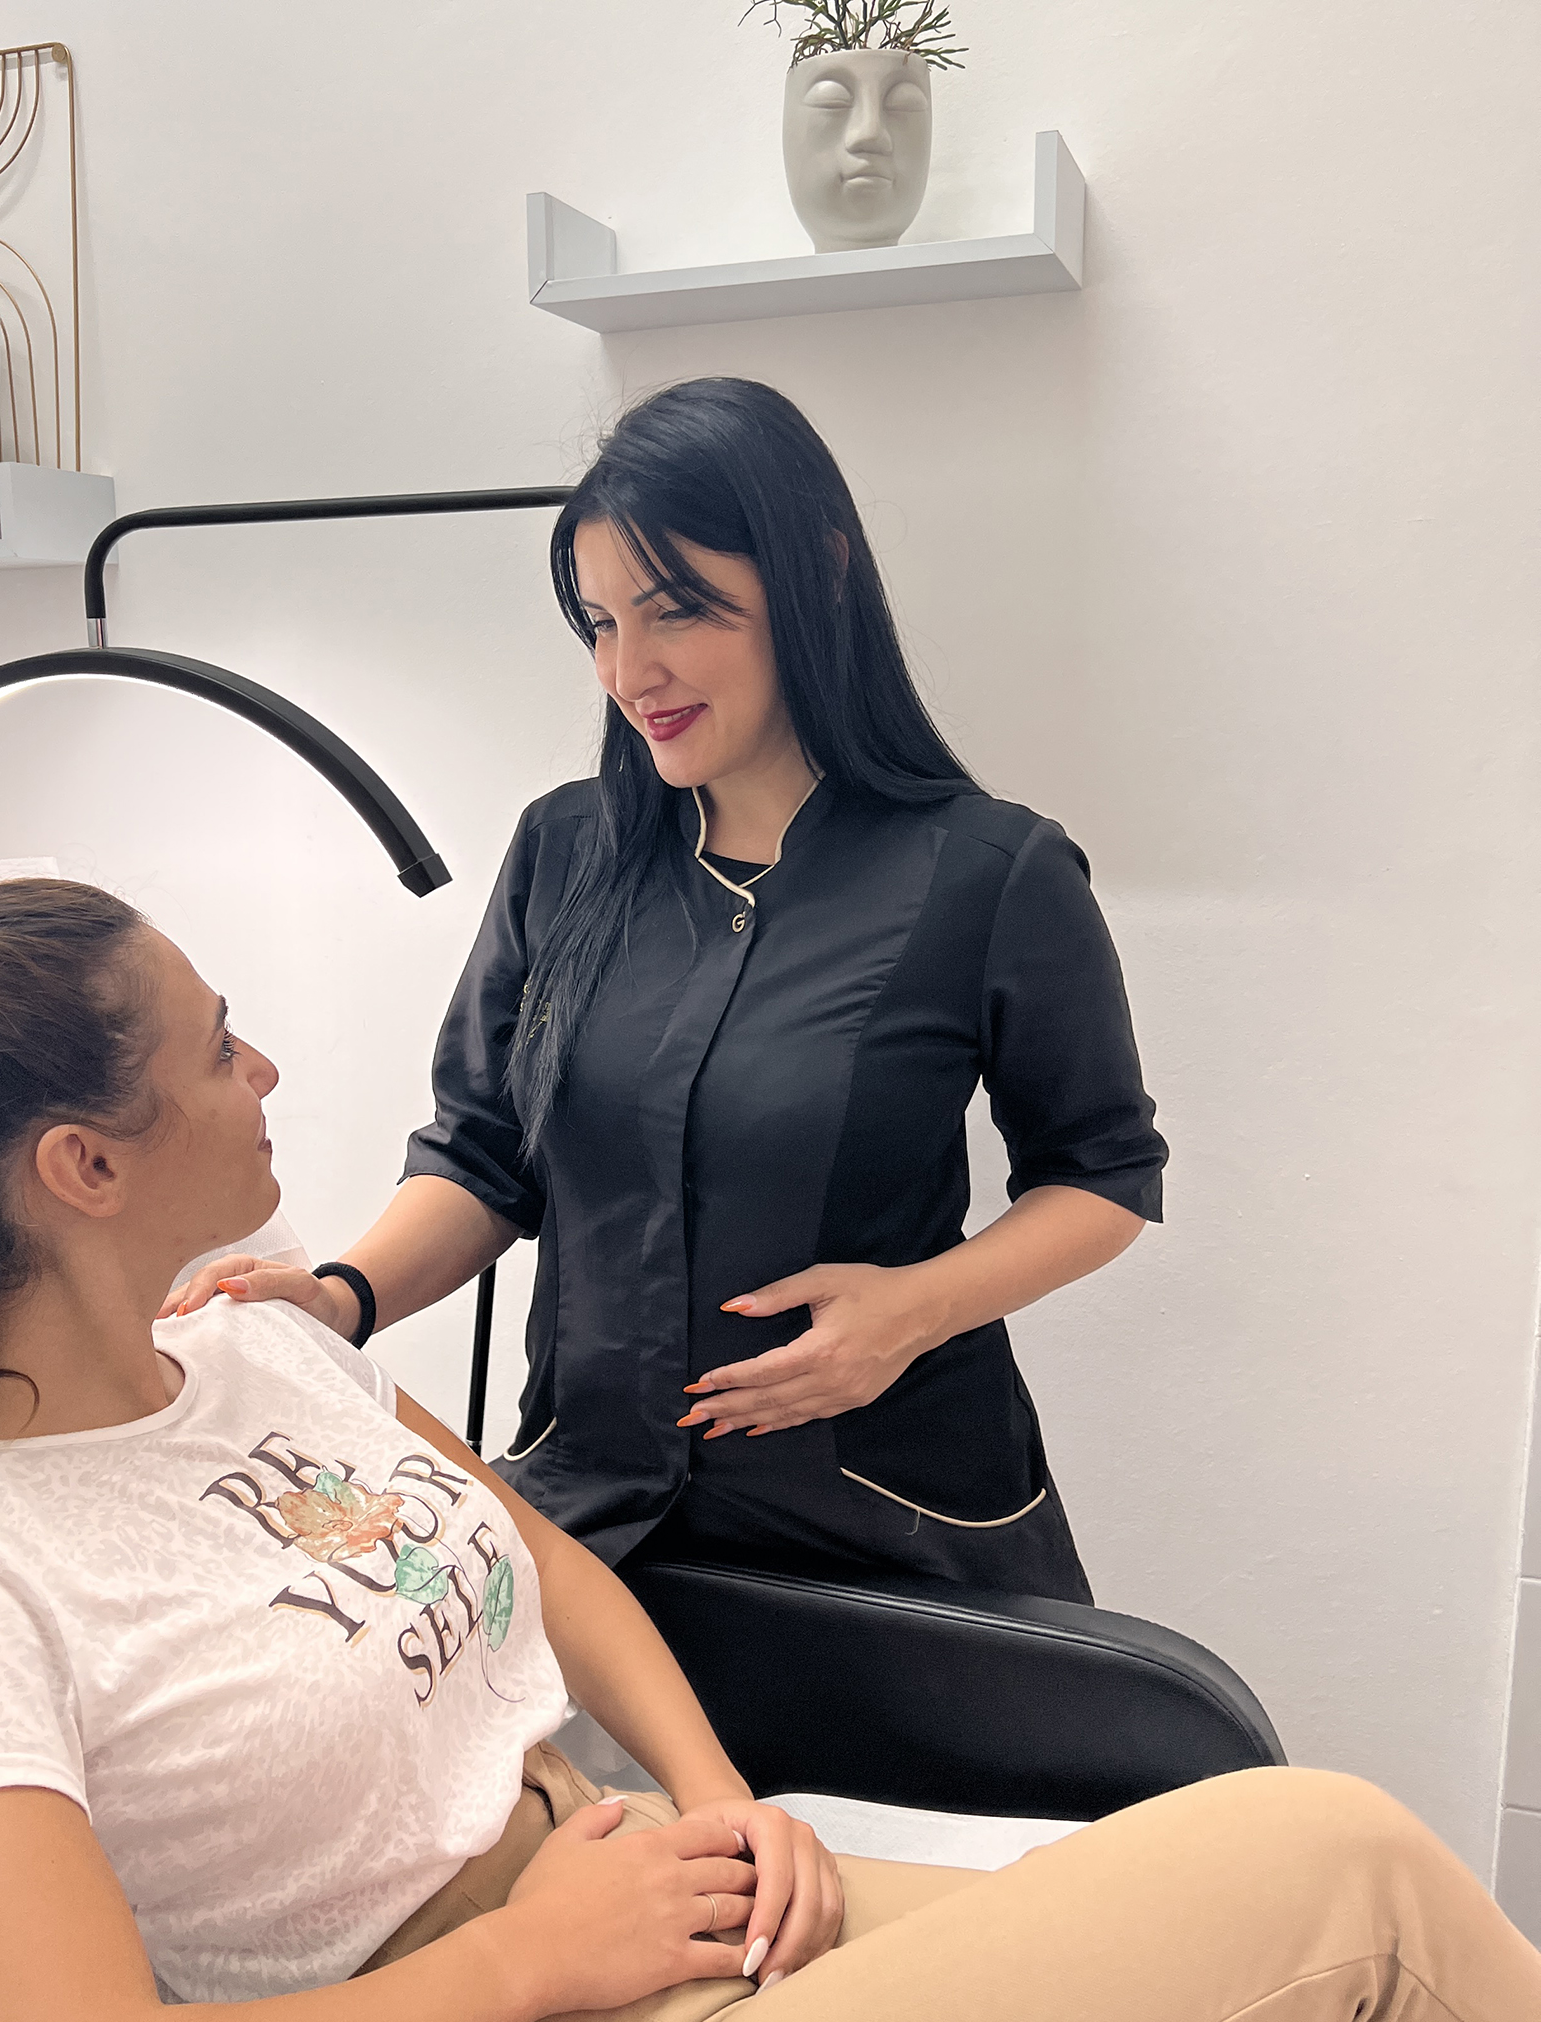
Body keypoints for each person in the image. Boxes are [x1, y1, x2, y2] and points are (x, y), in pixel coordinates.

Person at [0, 881, 1541, 2022]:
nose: (269, 1076)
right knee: (1336, 1855)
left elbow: (548, 1568)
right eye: (221, 1047)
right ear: (84, 1168)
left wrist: (722, 1800)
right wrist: (528, 1960)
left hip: (666, 1921)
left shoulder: (265, 1352)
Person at [170, 380, 1162, 1603]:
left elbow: (1105, 1173)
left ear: (818, 574)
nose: (628, 670)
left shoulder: (991, 874)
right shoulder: (561, 853)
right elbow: (483, 1157)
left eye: (675, 610)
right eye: (599, 623)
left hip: (892, 1531)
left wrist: (912, 1310)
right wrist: (341, 1298)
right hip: (598, 1522)